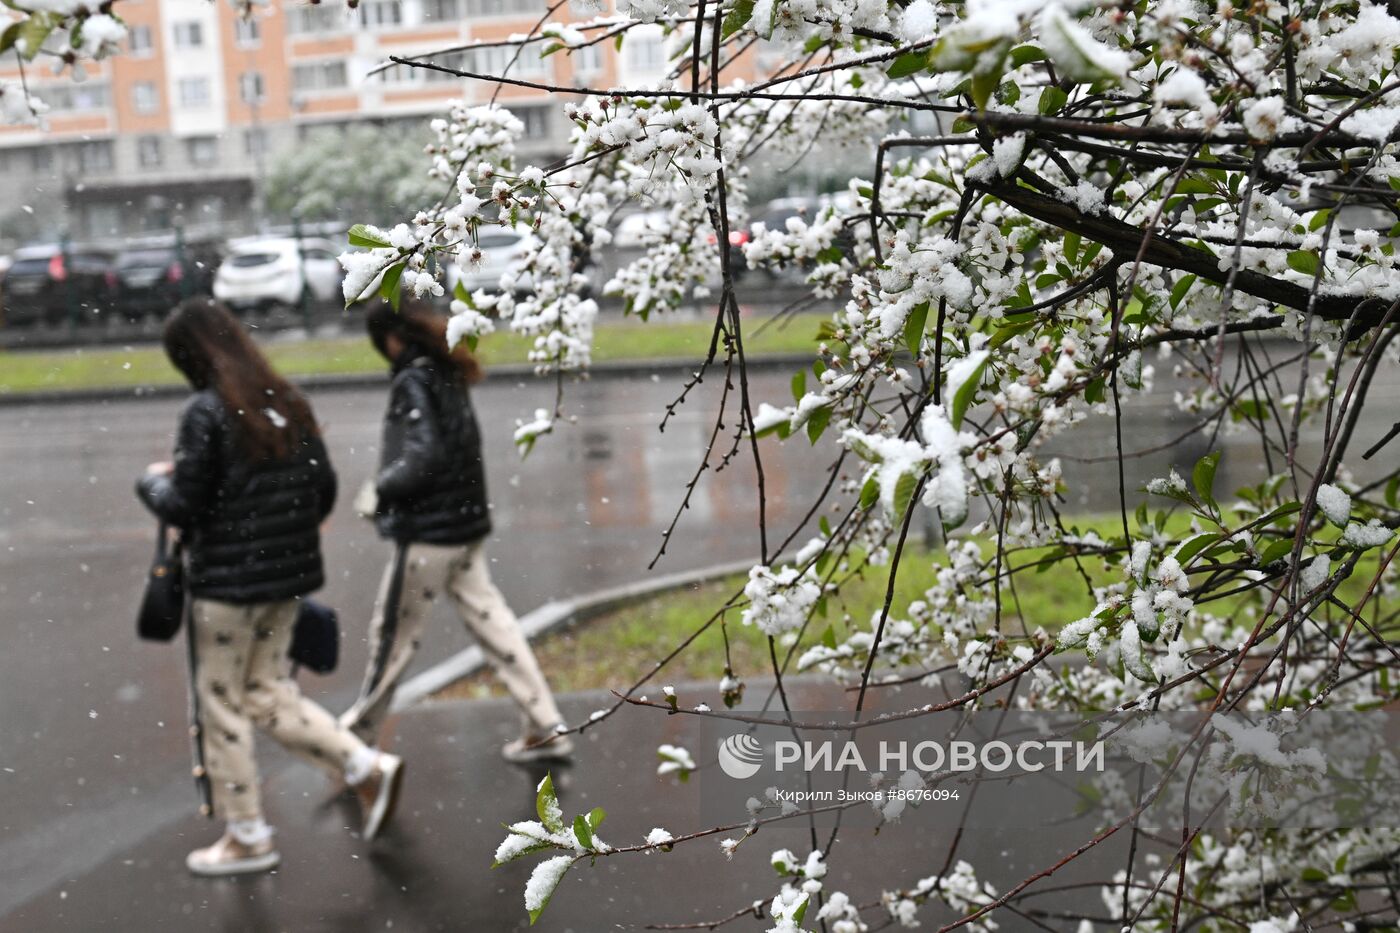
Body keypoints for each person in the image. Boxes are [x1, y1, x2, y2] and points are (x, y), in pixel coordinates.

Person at [136, 298, 404, 877]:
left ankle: (248, 835)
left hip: (226, 588)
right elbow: (324, 490)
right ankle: (363, 766)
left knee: (223, 706)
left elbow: (186, 504)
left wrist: (151, 485)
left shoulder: (205, 413)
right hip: (287, 579)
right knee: (264, 690)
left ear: (190, 357)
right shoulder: (287, 402)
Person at [341, 299, 571, 763]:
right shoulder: (446, 372)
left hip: (429, 535)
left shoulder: (413, 380)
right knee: (497, 629)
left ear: (390, 338)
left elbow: (422, 456)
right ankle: (545, 727)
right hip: (464, 528)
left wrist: (380, 489)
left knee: (391, 641)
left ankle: (348, 748)